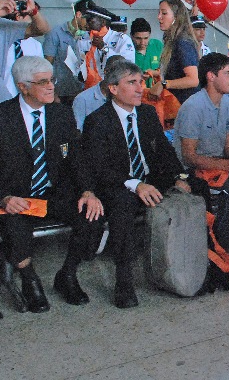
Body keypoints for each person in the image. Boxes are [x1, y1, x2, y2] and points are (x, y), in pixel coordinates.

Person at [0, 56, 105, 312]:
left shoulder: (61, 114)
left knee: (91, 215)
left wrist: (88, 191)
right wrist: (3, 198)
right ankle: (29, 279)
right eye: (43, 82)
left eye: (52, 80)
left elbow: (76, 159)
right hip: (16, 197)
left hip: (52, 193)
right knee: (14, 226)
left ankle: (67, 274)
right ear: (23, 87)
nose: (51, 87)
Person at [79, 60, 188, 308]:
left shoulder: (147, 113)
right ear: (113, 88)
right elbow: (99, 168)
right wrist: (135, 184)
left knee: (196, 188)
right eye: (132, 83)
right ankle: (124, 279)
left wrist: (180, 177)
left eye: (141, 82)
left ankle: (200, 264)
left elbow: (164, 150)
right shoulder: (98, 120)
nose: (140, 88)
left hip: (149, 178)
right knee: (123, 205)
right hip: (117, 183)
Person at [173, 53, 229, 258]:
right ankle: (221, 251)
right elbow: (189, 157)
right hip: (191, 170)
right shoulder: (193, 107)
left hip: (218, 165)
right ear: (211, 76)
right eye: (228, 73)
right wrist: (227, 165)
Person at [147, 0, 199, 105]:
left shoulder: (182, 43)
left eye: (164, 13)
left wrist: (164, 84)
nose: (159, 17)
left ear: (176, 16)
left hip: (185, 105)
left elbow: (193, 80)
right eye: (159, 13)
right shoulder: (174, 41)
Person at [43, 0, 93, 105]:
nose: (90, 24)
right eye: (88, 20)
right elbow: (47, 64)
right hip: (61, 93)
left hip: (82, 91)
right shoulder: (55, 33)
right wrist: (52, 92)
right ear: (78, 15)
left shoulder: (89, 36)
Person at [77, 5, 135, 89]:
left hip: (114, 87)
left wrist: (104, 48)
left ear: (103, 22)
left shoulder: (122, 39)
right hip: (89, 87)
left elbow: (128, 65)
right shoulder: (83, 39)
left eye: (91, 21)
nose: (87, 25)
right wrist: (80, 73)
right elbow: (77, 62)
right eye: (86, 21)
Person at [130, 17, 162, 87]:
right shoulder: (127, 51)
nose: (142, 42)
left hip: (156, 89)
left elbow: (167, 69)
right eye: (138, 38)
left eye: (146, 38)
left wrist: (154, 73)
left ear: (150, 35)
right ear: (131, 36)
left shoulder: (157, 45)